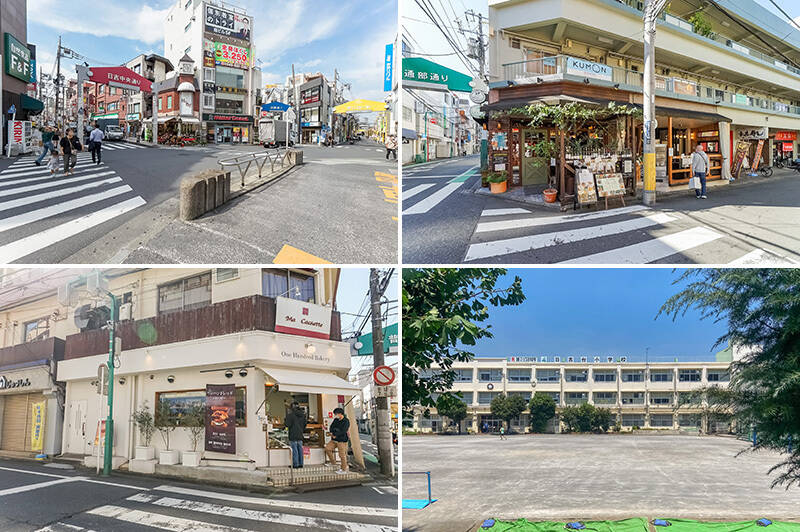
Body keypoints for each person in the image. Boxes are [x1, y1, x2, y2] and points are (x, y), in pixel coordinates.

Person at [325, 407, 350, 474]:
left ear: (340, 414)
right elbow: (331, 427)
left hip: (342, 440)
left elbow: (344, 431)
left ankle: (343, 469)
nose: (335, 415)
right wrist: (332, 433)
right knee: (327, 448)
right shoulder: (336, 420)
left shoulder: (346, 421)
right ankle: (333, 462)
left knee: (342, 455)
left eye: (336, 414)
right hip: (334, 439)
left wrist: (336, 434)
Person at [284, 401, 307, 469]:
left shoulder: (290, 415)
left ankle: (295, 464)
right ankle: (301, 464)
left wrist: (285, 420)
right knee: (300, 449)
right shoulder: (303, 415)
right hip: (300, 434)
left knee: (294, 450)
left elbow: (287, 424)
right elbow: (305, 425)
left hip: (293, 434)